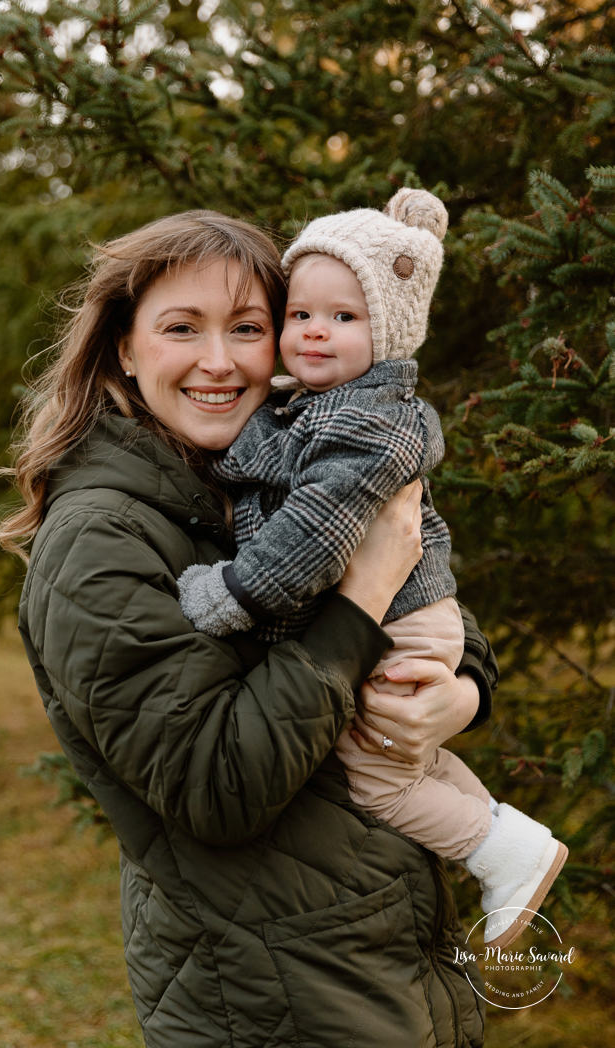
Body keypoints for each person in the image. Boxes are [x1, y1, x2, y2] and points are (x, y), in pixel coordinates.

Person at [0, 210, 498, 1048]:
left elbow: (422, 591)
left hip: (378, 958)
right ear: (124, 347)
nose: (219, 361)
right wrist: (358, 599)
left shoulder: (266, 472)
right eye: (181, 328)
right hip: (274, 997)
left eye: (248, 328)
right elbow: (216, 784)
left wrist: (462, 692)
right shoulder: (99, 538)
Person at [176, 192, 567, 950]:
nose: (315, 330)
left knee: (375, 772)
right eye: (300, 315)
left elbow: (313, 535)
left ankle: (500, 854)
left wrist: (230, 593)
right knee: (400, 747)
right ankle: (505, 842)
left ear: (385, 333)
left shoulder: (367, 423)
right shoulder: (314, 404)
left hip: (398, 620)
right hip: (400, 613)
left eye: (344, 318)